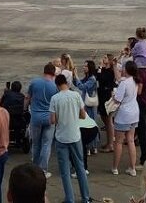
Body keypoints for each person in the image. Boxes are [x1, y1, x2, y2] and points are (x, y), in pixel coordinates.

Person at [48, 75, 90, 203]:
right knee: (80, 167)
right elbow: (83, 115)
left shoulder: (55, 98)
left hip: (61, 137)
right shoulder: (76, 95)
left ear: (57, 85)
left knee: (65, 171)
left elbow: (52, 120)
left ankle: (70, 199)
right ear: (66, 83)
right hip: (75, 136)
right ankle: (85, 197)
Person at [110, 62, 141, 175]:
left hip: (124, 114)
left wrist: (113, 95)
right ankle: (132, 168)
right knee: (131, 140)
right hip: (134, 113)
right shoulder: (135, 81)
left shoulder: (124, 83)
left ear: (126, 70)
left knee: (118, 142)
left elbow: (118, 99)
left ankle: (115, 167)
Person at [26, 63, 57, 173]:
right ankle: (43, 169)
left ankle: (35, 167)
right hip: (49, 118)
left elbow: (28, 97)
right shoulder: (54, 86)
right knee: (46, 144)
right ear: (53, 73)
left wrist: (25, 109)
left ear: (44, 71)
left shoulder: (34, 82)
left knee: (35, 144)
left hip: (36, 117)